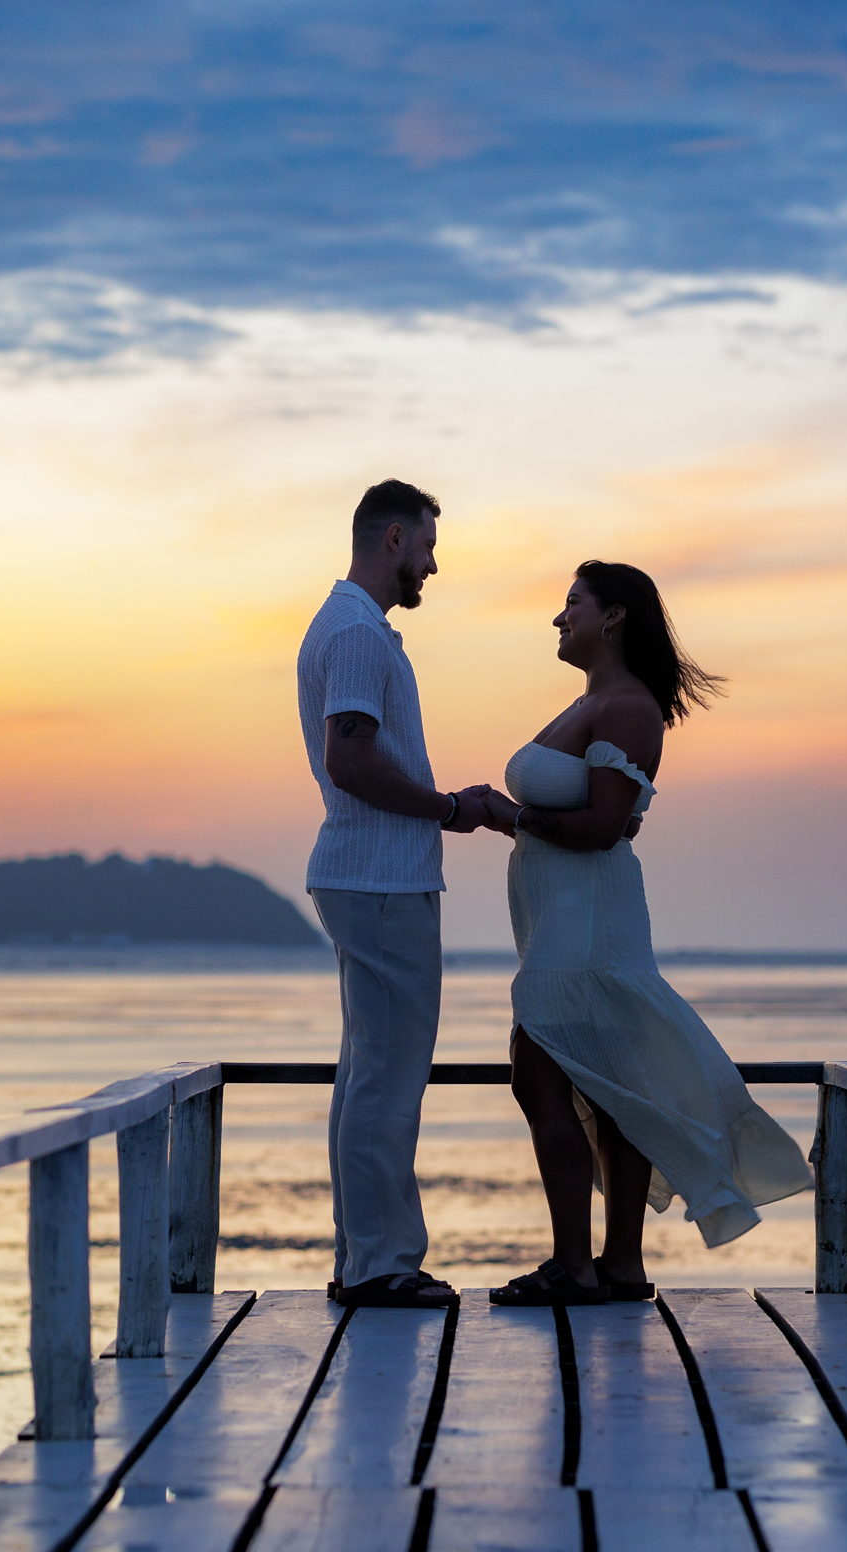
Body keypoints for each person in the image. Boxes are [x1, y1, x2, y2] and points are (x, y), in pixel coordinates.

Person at [469, 561, 812, 1307]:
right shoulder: (591, 702)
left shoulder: (627, 707)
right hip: (562, 920)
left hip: (588, 926)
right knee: (608, 1079)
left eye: (571, 605)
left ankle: (575, 1263)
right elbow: (616, 818)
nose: (559, 620)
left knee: (539, 1072)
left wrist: (509, 815)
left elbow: (600, 829)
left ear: (614, 616)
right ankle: (618, 1265)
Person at [296, 479, 489, 1310]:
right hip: (379, 880)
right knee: (388, 1077)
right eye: (429, 549)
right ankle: (378, 1266)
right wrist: (448, 809)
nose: (433, 568)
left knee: (368, 1073)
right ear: (395, 540)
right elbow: (351, 759)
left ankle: (364, 1257)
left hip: (368, 877)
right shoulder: (357, 635)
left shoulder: (349, 628)